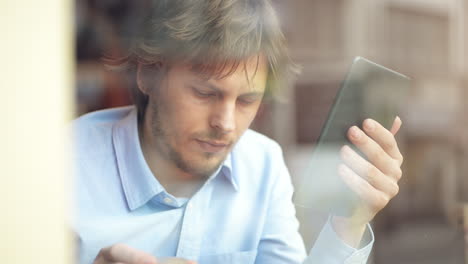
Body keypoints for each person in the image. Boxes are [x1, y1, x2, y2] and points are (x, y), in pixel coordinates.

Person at [72, 0, 404, 263]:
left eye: (247, 100)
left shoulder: (262, 162)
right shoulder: (61, 164)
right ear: (147, 76)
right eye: (204, 93)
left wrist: (350, 221)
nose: (226, 124)